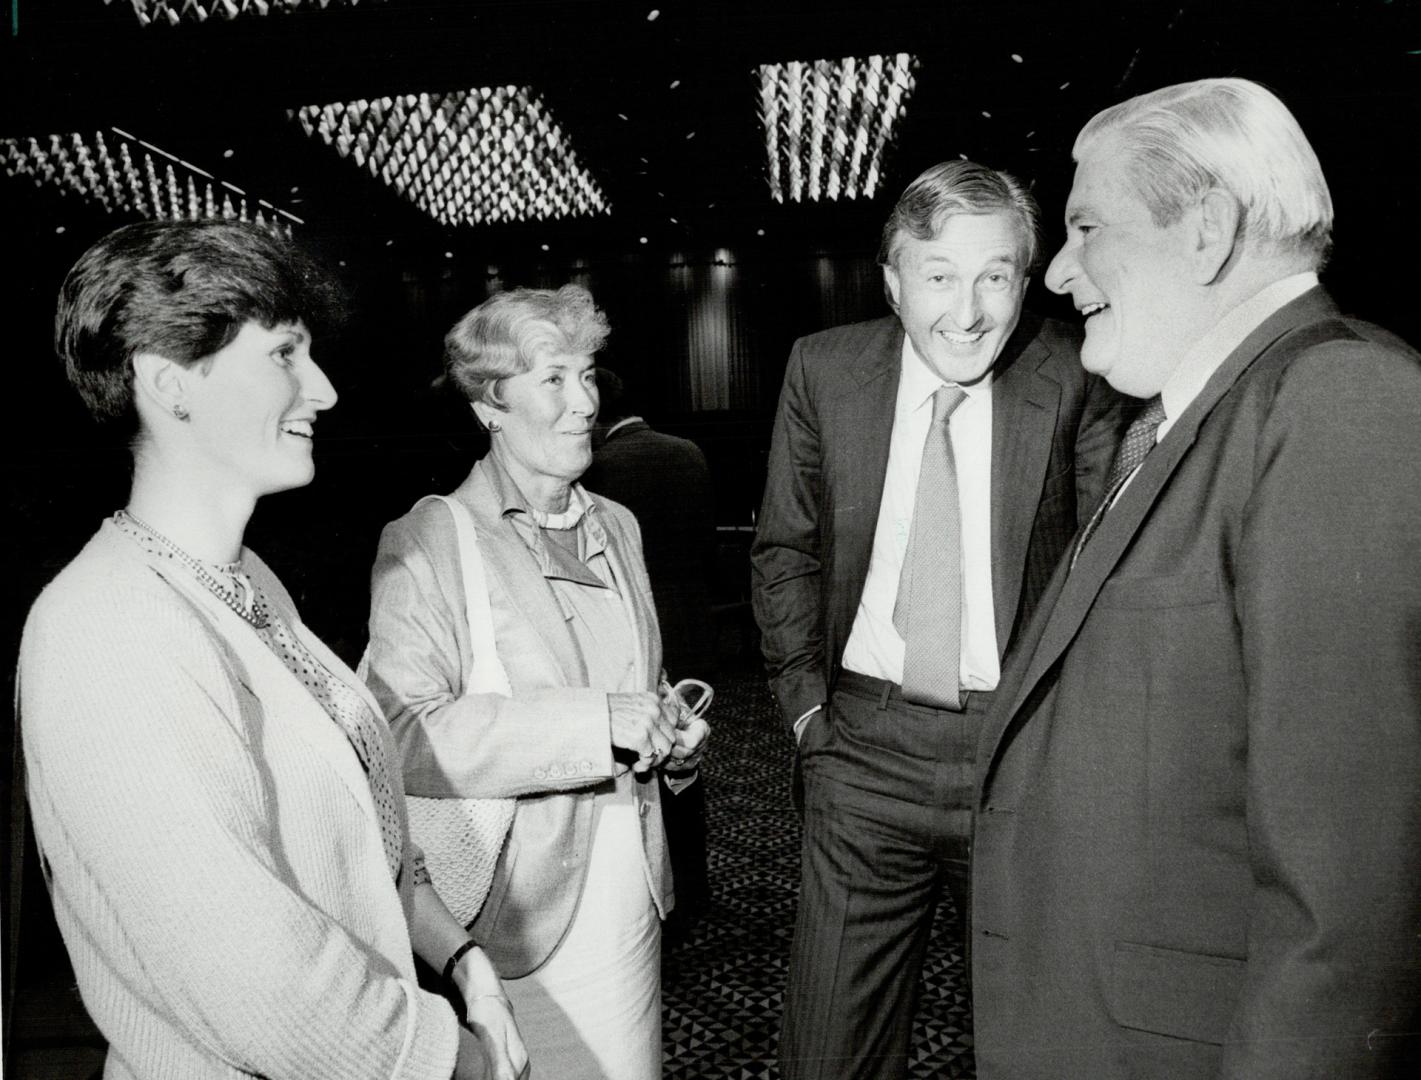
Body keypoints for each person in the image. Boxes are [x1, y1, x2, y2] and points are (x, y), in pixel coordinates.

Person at [971, 77, 1421, 1079]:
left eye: (1085, 227)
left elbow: (1340, 917)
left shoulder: (1337, 404)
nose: (1055, 273)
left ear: (1204, 229)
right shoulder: (1194, 420)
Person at [18, 220, 526, 1080]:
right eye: (285, 354)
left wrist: (461, 958)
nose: (323, 390)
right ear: (168, 382)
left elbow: (357, 836)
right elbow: (259, 983)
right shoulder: (105, 631)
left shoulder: (244, 578)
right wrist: (453, 1063)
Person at [750, 160, 1125, 1079]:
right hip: (862, 753)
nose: (967, 311)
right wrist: (807, 716)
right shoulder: (824, 368)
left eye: (995, 275)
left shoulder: (1077, 374)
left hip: (1018, 754)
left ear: (1025, 278)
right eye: (939, 276)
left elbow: (1107, 580)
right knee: (829, 1051)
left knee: (1036, 1042)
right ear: (891, 282)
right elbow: (784, 551)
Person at [363, 284, 710, 1080]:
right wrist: (598, 724)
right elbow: (401, 733)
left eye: (587, 374)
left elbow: (637, 694)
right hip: (515, 911)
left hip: (633, 896)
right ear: (490, 403)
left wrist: (673, 741)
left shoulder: (617, 525)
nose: (583, 401)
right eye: (552, 380)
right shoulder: (429, 540)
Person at [583, 367, 717, 947]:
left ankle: (664, 896)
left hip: (641, 636)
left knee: (647, 764)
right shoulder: (687, 452)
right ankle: (694, 885)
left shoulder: (600, 469)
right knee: (686, 759)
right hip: (693, 625)